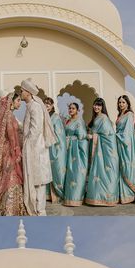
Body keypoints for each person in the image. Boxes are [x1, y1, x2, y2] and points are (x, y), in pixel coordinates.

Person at [20, 78, 56, 216]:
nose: (21, 93)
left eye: (22, 91)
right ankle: (36, 208)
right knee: (35, 179)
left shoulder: (35, 106)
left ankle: (40, 211)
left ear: (28, 92)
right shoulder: (30, 105)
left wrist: (26, 143)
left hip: (36, 147)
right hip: (33, 146)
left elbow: (35, 129)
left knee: (39, 181)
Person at [85, 98, 119, 206]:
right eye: (95, 105)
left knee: (105, 173)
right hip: (97, 149)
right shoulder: (96, 118)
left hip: (105, 151)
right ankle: (96, 197)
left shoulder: (104, 118)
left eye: (99, 105)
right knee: (97, 173)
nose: (96, 107)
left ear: (102, 107)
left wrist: (93, 136)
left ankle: (106, 198)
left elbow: (109, 136)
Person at [62, 102, 88, 207]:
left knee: (76, 172)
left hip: (76, 151)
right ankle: (68, 197)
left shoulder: (79, 122)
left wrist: (70, 139)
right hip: (68, 150)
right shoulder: (68, 121)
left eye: (73, 108)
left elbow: (82, 136)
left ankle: (76, 198)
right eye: (70, 108)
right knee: (69, 173)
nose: (71, 110)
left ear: (78, 110)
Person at [115, 95, 135, 204]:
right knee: (120, 167)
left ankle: (130, 194)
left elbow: (128, 131)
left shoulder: (129, 114)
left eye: (123, 102)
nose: (121, 104)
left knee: (127, 166)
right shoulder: (119, 114)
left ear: (128, 104)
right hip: (119, 142)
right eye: (120, 102)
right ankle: (123, 195)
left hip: (126, 144)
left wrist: (117, 136)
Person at [44, 97, 66, 202]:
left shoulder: (56, 118)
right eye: (45, 104)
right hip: (46, 148)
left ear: (52, 105)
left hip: (55, 147)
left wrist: (52, 143)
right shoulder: (44, 117)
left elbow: (59, 135)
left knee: (57, 171)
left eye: (49, 104)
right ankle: (48, 195)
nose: (47, 106)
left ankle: (59, 193)